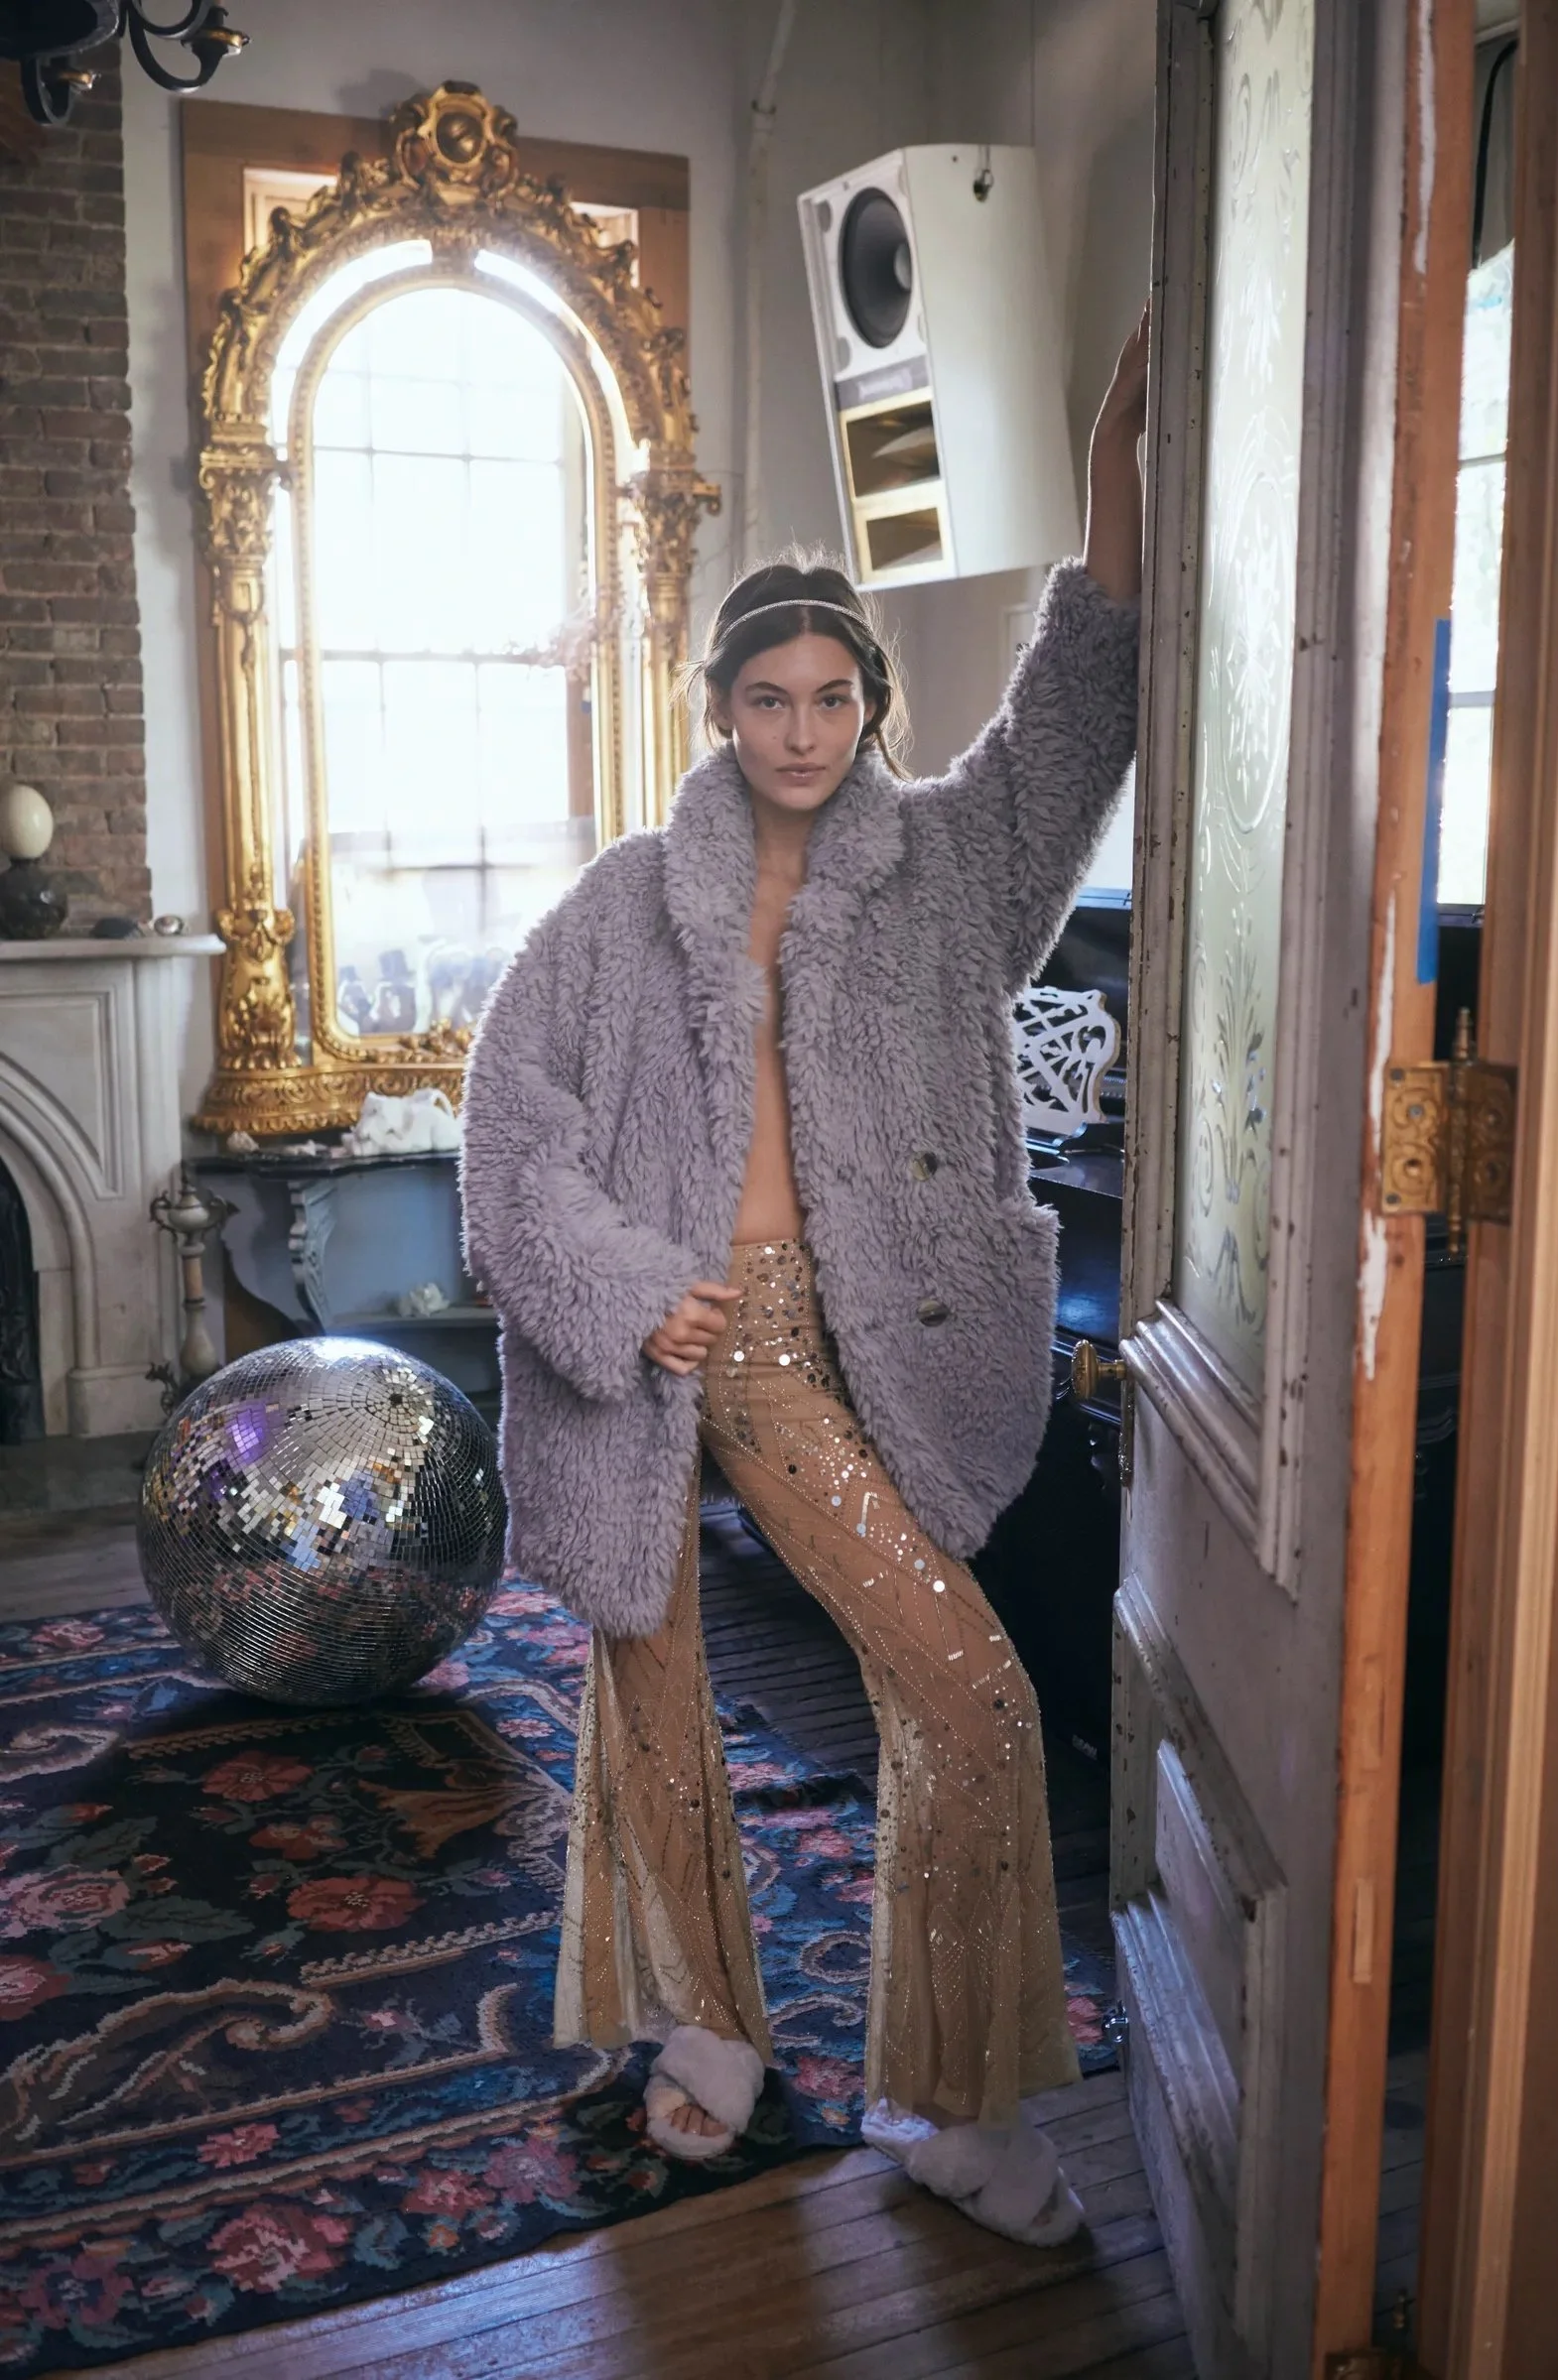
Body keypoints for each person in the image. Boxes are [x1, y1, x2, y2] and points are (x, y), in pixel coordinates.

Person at [460, 307, 1148, 2248]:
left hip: (829, 1353)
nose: (795, 726)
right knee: (651, 1678)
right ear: (717, 706)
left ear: (867, 707)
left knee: (968, 1684)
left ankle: (944, 2095)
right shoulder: (617, 903)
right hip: (669, 1335)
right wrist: (614, 1281)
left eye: (827, 693)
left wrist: (1109, 454)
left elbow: (1076, 710)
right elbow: (512, 1132)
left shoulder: (943, 868)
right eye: (762, 694)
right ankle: (706, 2033)